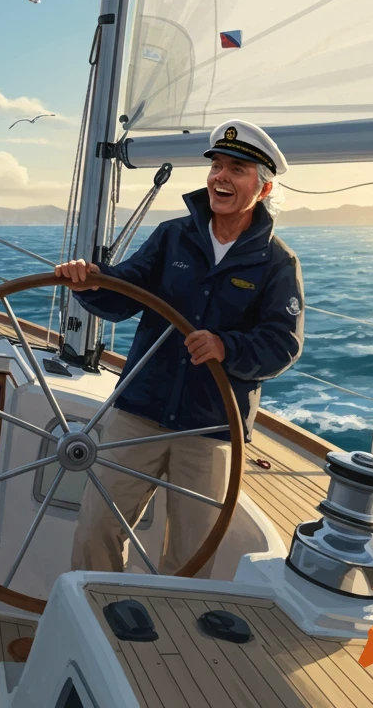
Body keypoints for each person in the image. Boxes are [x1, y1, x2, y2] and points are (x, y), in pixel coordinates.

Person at [57, 119, 304, 576]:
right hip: (140, 411)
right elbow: (124, 292)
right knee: (96, 528)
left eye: (238, 169)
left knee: (191, 554)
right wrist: (89, 282)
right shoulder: (172, 236)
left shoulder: (277, 262)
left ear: (263, 189)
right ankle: (91, 621)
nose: (221, 177)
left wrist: (226, 347)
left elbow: (282, 344)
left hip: (211, 427)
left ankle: (165, 645)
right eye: (217, 166)